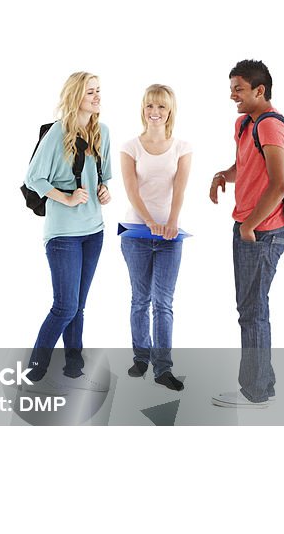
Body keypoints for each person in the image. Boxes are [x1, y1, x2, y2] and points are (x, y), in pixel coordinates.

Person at [209, 59, 284, 408]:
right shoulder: (245, 124)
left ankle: (254, 392)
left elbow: (280, 185)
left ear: (260, 90)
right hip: (249, 227)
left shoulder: (271, 127)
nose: (232, 96)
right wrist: (223, 175)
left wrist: (249, 226)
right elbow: (245, 167)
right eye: (231, 89)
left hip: (262, 232)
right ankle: (263, 385)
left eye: (238, 89)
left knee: (252, 310)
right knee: (254, 308)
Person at [24, 71, 112, 383]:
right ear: (76, 97)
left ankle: (74, 364)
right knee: (65, 306)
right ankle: (38, 364)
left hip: (95, 231)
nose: (97, 97)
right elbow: (33, 178)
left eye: (98, 91)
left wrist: (104, 191)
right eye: (90, 92)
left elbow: (104, 179)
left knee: (79, 307)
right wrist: (66, 197)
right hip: (63, 234)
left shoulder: (102, 131)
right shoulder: (57, 132)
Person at [119, 84, 192, 391]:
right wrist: (149, 222)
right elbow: (132, 190)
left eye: (161, 107)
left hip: (170, 237)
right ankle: (141, 358)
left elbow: (180, 188)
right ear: (143, 109)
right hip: (136, 232)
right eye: (150, 106)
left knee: (163, 302)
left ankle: (163, 368)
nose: (155, 112)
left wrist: (171, 222)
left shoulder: (182, 147)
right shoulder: (130, 146)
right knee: (140, 299)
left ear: (170, 110)